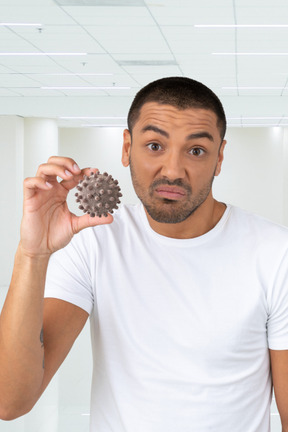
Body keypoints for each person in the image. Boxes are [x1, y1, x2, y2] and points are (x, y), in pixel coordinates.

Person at [0, 76, 288, 432]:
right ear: (126, 147)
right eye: (154, 146)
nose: (172, 170)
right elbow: (9, 401)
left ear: (219, 158)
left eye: (195, 151)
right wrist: (32, 254)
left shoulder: (275, 254)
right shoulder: (96, 241)